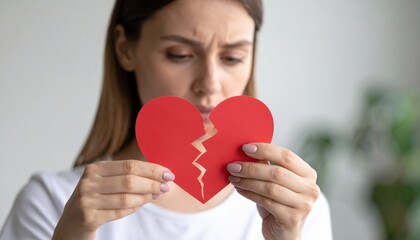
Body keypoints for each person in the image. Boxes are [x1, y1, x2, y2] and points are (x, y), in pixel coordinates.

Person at [0, 0, 333, 239]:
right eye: (181, 55)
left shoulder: (297, 210)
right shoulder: (53, 204)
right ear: (125, 49)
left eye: (233, 57)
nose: (210, 83)